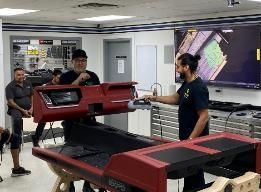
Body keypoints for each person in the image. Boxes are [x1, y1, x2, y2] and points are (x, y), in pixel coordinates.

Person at [144, 53, 209, 191]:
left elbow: (204, 117)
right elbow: (175, 98)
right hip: (187, 140)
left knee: (196, 176)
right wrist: (154, 98)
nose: (176, 69)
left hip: (195, 142)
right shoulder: (187, 84)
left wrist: (191, 140)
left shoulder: (199, 88)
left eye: (177, 66)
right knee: (190, 175)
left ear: (186, 67)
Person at [59, 49, 104, 192]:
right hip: (71, 121)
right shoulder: (65, 77)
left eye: (83, 60)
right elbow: (63, 95)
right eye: (78, 60)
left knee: (90, 155)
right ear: (72, 62)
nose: (81, 63)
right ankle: (69, 183)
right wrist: (79, 81)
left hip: (89, 121)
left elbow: (99, 96)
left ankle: (88, 184)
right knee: (70, 155)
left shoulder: (93, 76)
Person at [31, 69, 62, 147]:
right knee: (42, 120)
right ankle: (36, 138)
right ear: (53, 76)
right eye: (58, 77)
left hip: (59, 107)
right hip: (48, 107)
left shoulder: (61, 85)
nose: (59, 79)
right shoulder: (46, 86)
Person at [5, 67, 33, 145]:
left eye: (22, 74)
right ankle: (18, 140)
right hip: (15, 108)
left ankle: (36, 136)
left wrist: (32, 108)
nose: (21, 76)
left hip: (29, 107)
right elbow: (10, 102)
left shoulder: (28, 83)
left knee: (43, 114)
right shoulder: (10, 86)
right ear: (14, 75)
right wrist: (23, 110)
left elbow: (32, 95)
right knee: (17, 119)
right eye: (18, 75)